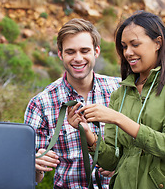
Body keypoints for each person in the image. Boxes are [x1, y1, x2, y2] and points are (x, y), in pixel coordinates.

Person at [67, 11, 165, 189]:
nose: (128, 53)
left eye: (135, 44)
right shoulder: (120, 94)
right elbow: (111, 162)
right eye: (124, 46)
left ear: (157, 43)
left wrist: (118, 118)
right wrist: (88, 133)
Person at [24, 18, 121, 188]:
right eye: (70, 52)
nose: (78, 58)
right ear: (60, 54)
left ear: (96, 51)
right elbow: (32, 178)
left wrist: (122, 166)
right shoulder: (41, 103)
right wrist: (36, 165)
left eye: (85, 51)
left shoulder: (119, 91)